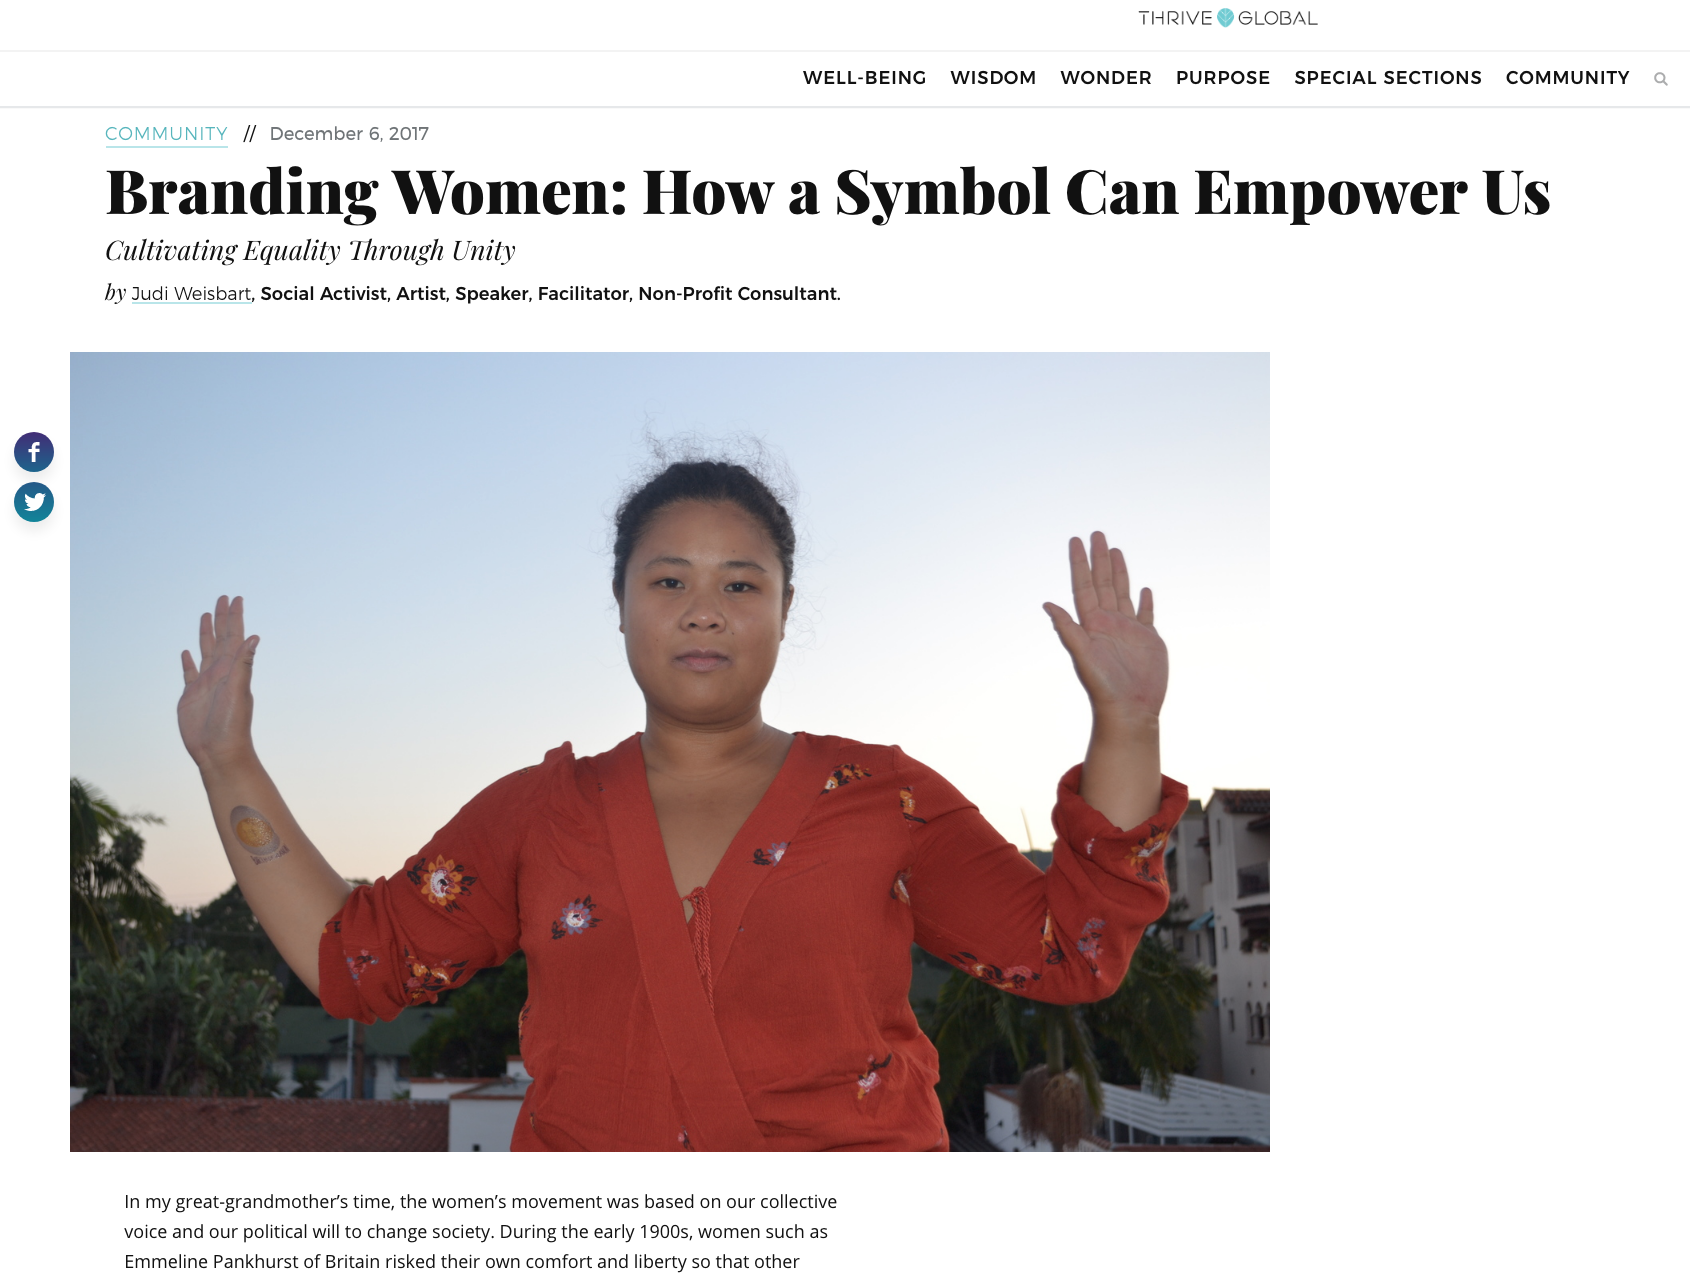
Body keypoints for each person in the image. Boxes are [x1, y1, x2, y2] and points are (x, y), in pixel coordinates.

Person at [177, 459, 1185, 1151]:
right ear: (620, 603)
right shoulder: (539, 813)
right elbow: (358, 962)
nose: (704, 609)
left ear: (785, 609)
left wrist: (1128, 724)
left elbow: (1072, 947)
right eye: (668, 580)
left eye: (741, 585)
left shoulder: (889, 798)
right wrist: (228, 763)